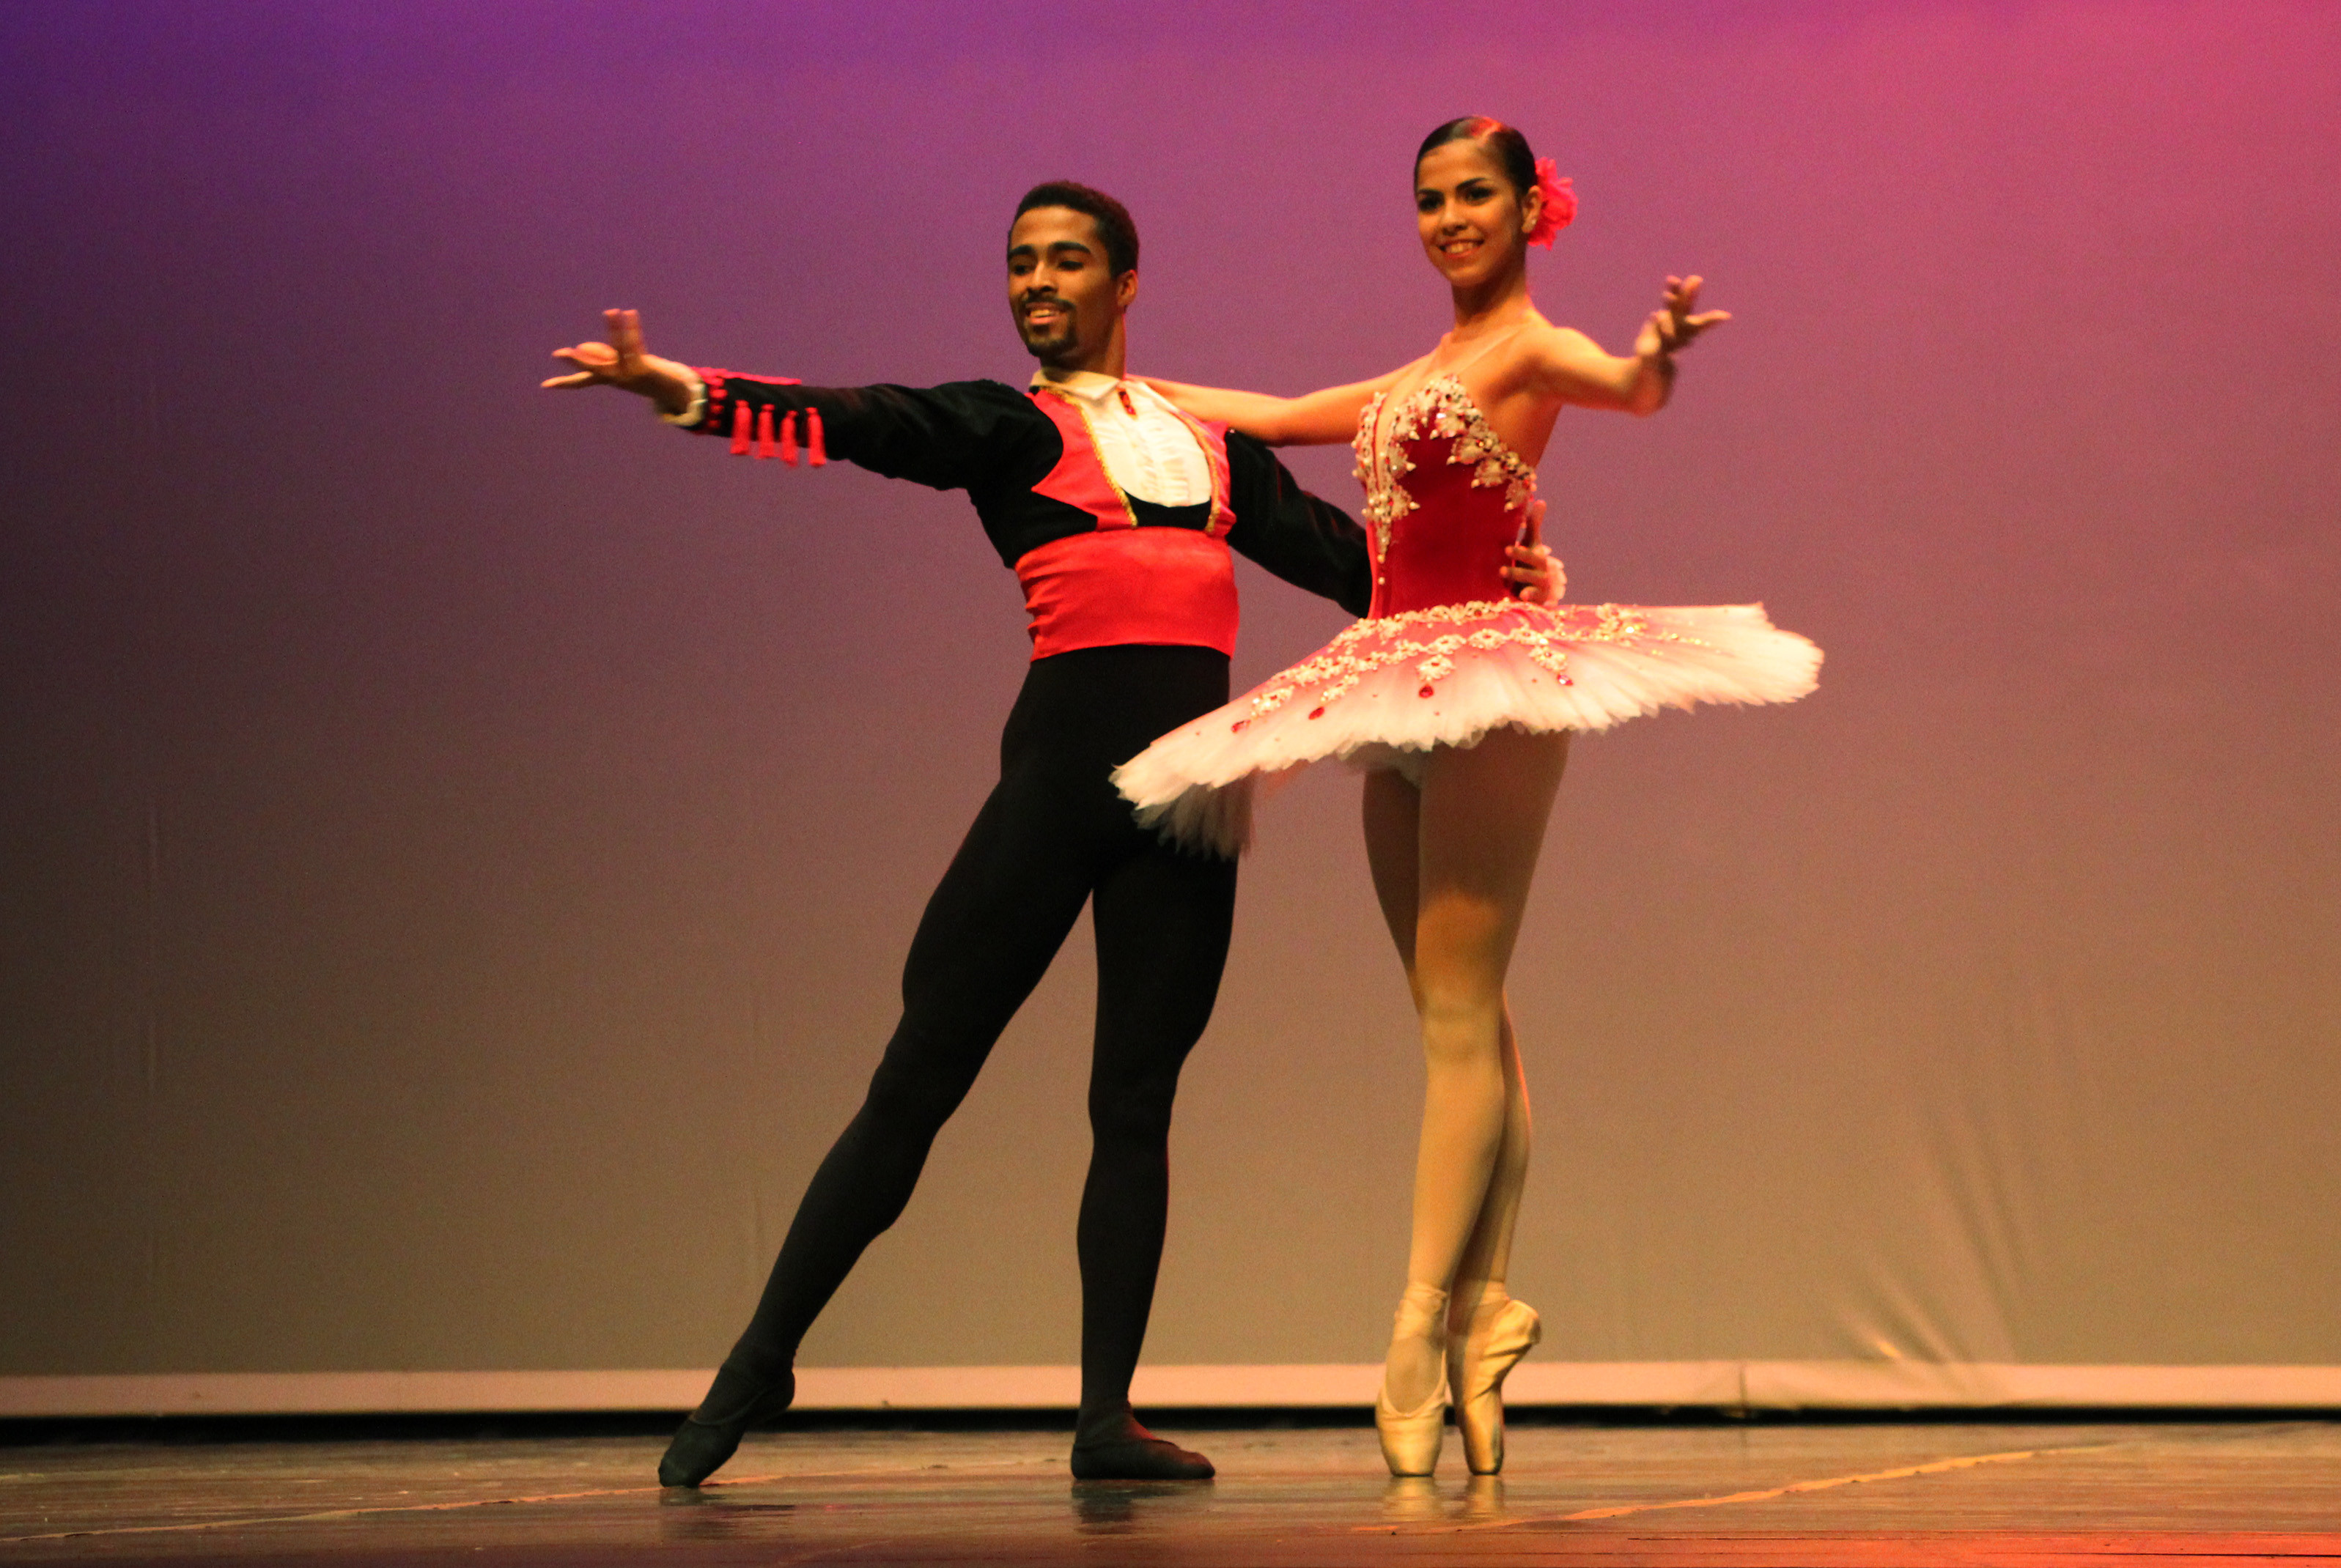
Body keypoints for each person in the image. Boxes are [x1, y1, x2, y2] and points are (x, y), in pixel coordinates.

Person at [542, 180, 1563, 1487]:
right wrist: (679, 387)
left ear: (1124, 284)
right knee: (916, 1084)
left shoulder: (1207, 450)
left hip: (1184, 803)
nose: (1036, 282)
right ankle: (759, 1363)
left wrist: (1502, 581)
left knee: (1135, 1106)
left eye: (1066, 261)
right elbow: (861, 420)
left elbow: (1355, 564)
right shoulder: (1003, 426)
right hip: (1056, 795)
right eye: (1019, 261)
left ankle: (1103, 1421)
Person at [1114, 119, 1823, 1477]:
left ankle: (1411, 1334)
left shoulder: (1531, 350)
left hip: (1493, 685)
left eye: (1474, 196)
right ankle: (1487, 1314)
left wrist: (1659, 354)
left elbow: (1625, 385)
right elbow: (1260, 418)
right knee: (1467, 1023)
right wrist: (1104, 390)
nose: (1449, 218)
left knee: (1453, 1023)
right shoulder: (1416, 374)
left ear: (1527, 208)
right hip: (1394, 685)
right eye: (1430, 200)